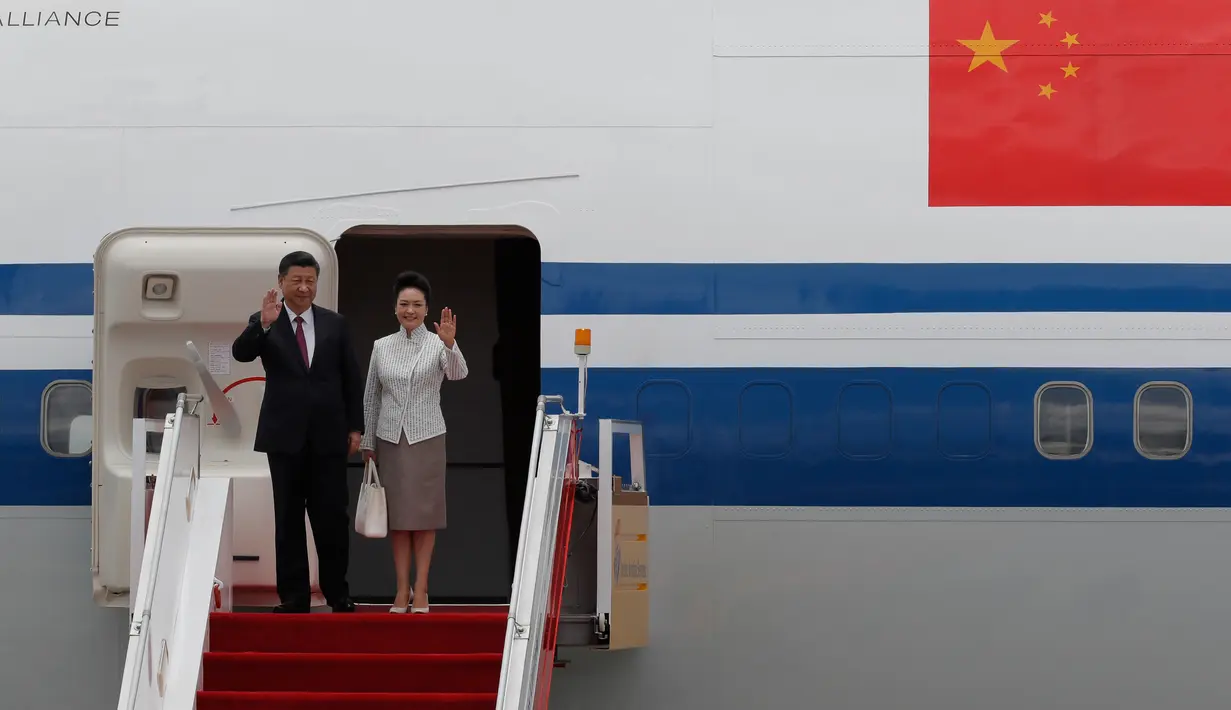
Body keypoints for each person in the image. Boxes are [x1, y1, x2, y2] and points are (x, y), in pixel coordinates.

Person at [231, 251, 363, 614]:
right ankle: (294, 596)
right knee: (288, 516)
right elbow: (241, 353)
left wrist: (356, 427)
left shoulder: (335, 323)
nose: (304, 287)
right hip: (284, 434)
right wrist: (264, 325)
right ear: (281, 282)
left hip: (330, 435)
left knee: (332, 516)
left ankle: (338, 593)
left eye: (310, 280)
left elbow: (351, 378)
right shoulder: (265, 320)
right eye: (297, 280)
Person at [361, 270, 468, 614]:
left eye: (417, 305)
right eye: (404, 304)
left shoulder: (438, 343)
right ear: (395, 308)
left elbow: (458, 373)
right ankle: (400, 589)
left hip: (427, 437)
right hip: (389, 438)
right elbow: (371, 397)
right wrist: (367, 440)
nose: (410, 310)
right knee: (397, 519)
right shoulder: (381, 346)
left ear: (426, 309)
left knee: (424, 517)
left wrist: (450, 344)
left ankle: (421, 589)